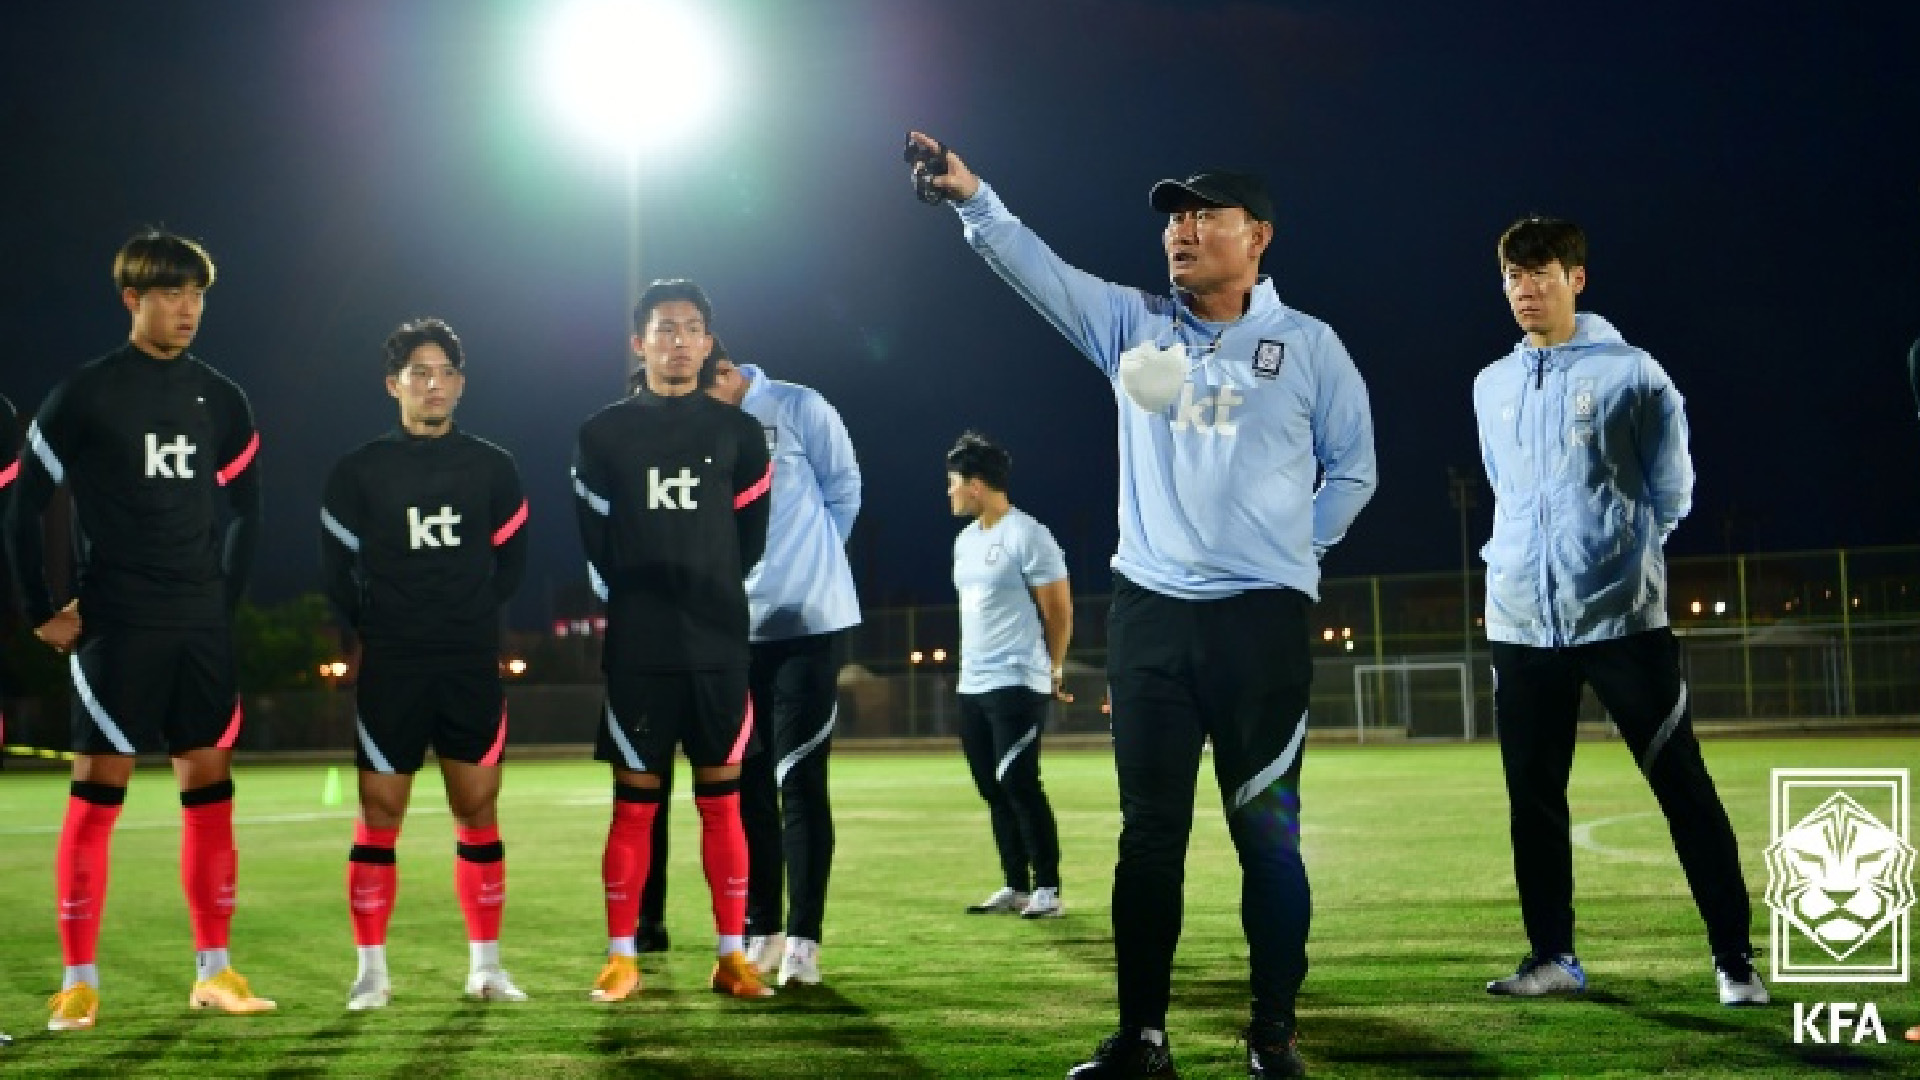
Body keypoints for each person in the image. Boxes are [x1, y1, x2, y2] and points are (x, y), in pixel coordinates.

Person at [907, 134, 1378, 1079]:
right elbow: (1039, 273)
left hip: (1261, 625)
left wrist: (1290, 554)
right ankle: (1143, 1040)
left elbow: (1354, 472)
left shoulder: (1311, 347)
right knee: (1149, 839)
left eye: (1204, 216)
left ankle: (1273, 1034)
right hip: (1151, 619)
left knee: (1265, 836)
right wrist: (973, 198)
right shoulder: (1134, 327)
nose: (1180, 231)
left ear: (1258, 236)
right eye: (1174, 217)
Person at [1473, 216, 1766, 1006]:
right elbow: (1507, 488)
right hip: (1521, 623)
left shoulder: (1634, 374)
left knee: (1681, 785)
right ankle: (1553, 958)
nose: (1525, 289)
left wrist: (1614, 555)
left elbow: (1673, 492)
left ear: (1576, 278)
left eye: (1541, 273)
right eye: (1513, 276)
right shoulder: (1490, 385)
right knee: (1534, 800)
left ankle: (1734, 958)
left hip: (1622, 622)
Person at [4, 230, 271, 1030]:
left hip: (198, 626)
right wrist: (39, 609)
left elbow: (248, 508)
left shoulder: (222, 396)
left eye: (197, 295)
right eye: (171, 294)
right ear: (132, 299)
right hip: (116, 623)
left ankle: (215, 973)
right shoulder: (86, 393)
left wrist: (222, 601)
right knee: (97, 797)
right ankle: (78, 980)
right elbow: (22, 507)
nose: (188, 309)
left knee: (210, 796)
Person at [319, 318, 531, 1009]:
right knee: (381, 812)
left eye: (444, 373)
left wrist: (468, 614)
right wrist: (383, 621)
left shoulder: (493, 467)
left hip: (468, 660)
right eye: (419, 373)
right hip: (394, 662)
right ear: (394, 385)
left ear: (460, 384)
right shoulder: (358, 471)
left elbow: (512, 562)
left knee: (478, 807)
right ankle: (372, 974)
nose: (433, 384)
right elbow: (336, 571)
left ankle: (486, 968)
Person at [574, 278, 774, 1003]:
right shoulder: (603, 433)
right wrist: (644, 601)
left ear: (708, 341)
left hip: (718, 648)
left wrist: (708, 592)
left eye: (691, 328)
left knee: (723, 804)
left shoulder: (739, 433)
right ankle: (621, 957)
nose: (679, 341)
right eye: (664, 328)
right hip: (641, 650)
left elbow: (749, 540)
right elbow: (596, 540)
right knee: (634, 806)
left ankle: (731, 958)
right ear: (640, 342)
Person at [705, 347, 862, 987]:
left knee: (799, 780)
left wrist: (810, 567)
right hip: (733, 632)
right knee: (747, 788)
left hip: (807, 625)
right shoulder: (700, 429)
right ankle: (763, 929)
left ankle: (804, 940)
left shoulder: (799, 405)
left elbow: (844, 490)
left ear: (723, 371)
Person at [945, 431, 1071, 921]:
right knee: (991, 786)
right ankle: (1016, 884)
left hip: (1017, 679)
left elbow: (1058, 611)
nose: (949, 492)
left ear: (975, 485)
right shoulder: (965, 542)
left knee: (1018, 780)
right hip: (972, 684)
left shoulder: (1028, 534)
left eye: (953, 483)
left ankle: (1049, 887)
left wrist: (1053, 668)